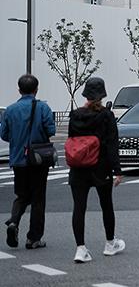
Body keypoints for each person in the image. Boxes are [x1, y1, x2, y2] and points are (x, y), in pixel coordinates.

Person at [67, 77, 125, 263]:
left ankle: (80, 249)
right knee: (106, 205)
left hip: (78, 168)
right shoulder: (106, 116)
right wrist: (117, 170)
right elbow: (111, 144)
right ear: (102, 95)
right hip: (101, 167)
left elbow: (71, 141)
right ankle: (110, 244)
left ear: (86, 94)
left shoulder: (75, 115)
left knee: (79, 207)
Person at [1, 74, 56, 250]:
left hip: (18, 159)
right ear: (36, 89)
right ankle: (33, 238)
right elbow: (51, 129)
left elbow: (4, 134)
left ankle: (14, 222)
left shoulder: (10, 110)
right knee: (38, 198)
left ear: (19, 89)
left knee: (21, 195)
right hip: (38, 159)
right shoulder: (43, 108)